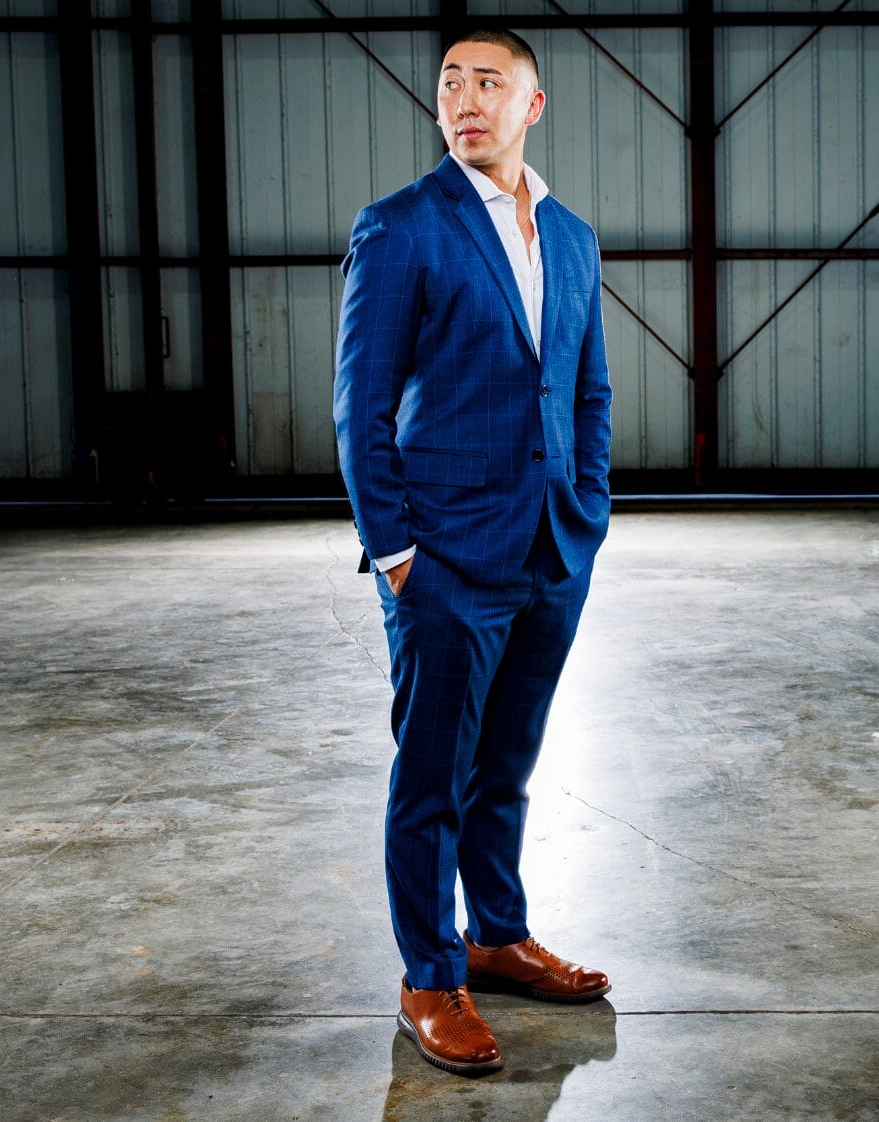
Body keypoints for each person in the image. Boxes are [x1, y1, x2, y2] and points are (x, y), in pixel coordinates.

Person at [333, 27, 614, 1078]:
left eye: (488, 82)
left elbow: (587, 390)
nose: (464, 100)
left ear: (531, 105)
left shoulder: (572, 237)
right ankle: (429, 975)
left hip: (551, 551)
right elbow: (359, 407)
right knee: (433, 778)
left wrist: (588, 512)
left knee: (508, 765)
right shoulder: (402, 227)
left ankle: (497, 936)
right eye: (450, 82)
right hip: (444, 561)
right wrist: (397, 554)